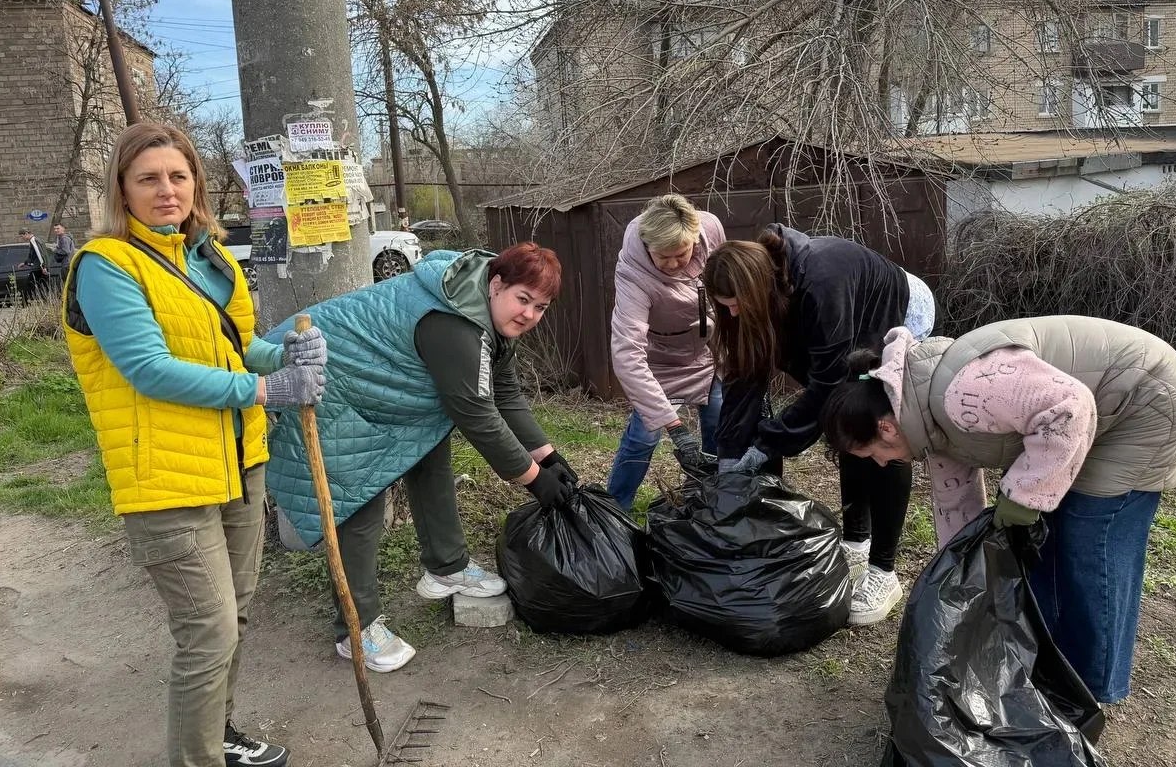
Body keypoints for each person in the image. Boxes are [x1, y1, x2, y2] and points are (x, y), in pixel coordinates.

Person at [61, 120, 326, 767]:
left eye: (178, 176)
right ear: (122, 188)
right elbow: (150, 369)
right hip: (166, 477)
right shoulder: (106, 265)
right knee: (207, 633)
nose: (166, 190)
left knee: (234, 618)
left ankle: (219, 734)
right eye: (148, 178)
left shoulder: (209, 258)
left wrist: (286, 355)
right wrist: (267, 390)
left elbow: (237, 347)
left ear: (195, 184)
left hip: (239, 464)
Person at [820, 315, 1176, 704]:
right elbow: (956, 503)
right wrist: (962, 574)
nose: (882, 464)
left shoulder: (961, 393)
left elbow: (1069, 408)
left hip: (1145, 397)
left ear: (885, 428)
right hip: (1094, 411)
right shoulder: (927, 424)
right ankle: (1051, 669)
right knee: (1045, 540)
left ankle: (1087, 693)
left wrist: (1023, 497)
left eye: (874, 454)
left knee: (1089, 540)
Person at [265, 241, 575, 674]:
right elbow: (477, 415)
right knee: (360, 499)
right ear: (496, 284)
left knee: (429, 453)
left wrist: (548, 455)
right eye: (523, 299)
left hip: (379, 383)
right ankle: (356, 628)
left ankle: (446, 566)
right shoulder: (456, 326)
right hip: (323, 374)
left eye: (540, 307)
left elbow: (503, 392)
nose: (528, 314)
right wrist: (533, 478)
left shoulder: (486, 313)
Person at [703, 224, 935, 625]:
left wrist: (767, 444)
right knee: (845, 428)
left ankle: (883, 571)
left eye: (736, 304)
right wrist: (729, 457)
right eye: (725, 306)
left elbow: (827, 384)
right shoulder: (757, 293)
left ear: (756, 290)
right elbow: (743, 376)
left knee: (876, 426)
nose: (733, 313)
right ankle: (856, 542)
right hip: (843, 321)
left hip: (899, 310)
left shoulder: (821, 284)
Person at [606, 194, 726, 510]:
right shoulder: (632, 272)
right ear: (648, 246)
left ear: (695, 240)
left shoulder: (711, 229)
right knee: (644, 435)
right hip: (658, 360)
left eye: (681, 254)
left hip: (706, 353)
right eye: (663, 257)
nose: (673, 264)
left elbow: (726, 282)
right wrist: (674, 426)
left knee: (719, 425)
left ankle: (707, 501)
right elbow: (627, 353)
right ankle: (615, 508)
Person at [18, 227, 50, 302]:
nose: (22, 238)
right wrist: (25, 263)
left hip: (39, 268)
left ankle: (28, 302)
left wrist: (44, 266)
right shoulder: (36, 240)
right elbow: (33, 255)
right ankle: (45, 300)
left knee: (30, 284)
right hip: (40, 267)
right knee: (44, 285)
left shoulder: (34, 241)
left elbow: (40, 254)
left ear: (26, 233)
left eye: (22, 236)